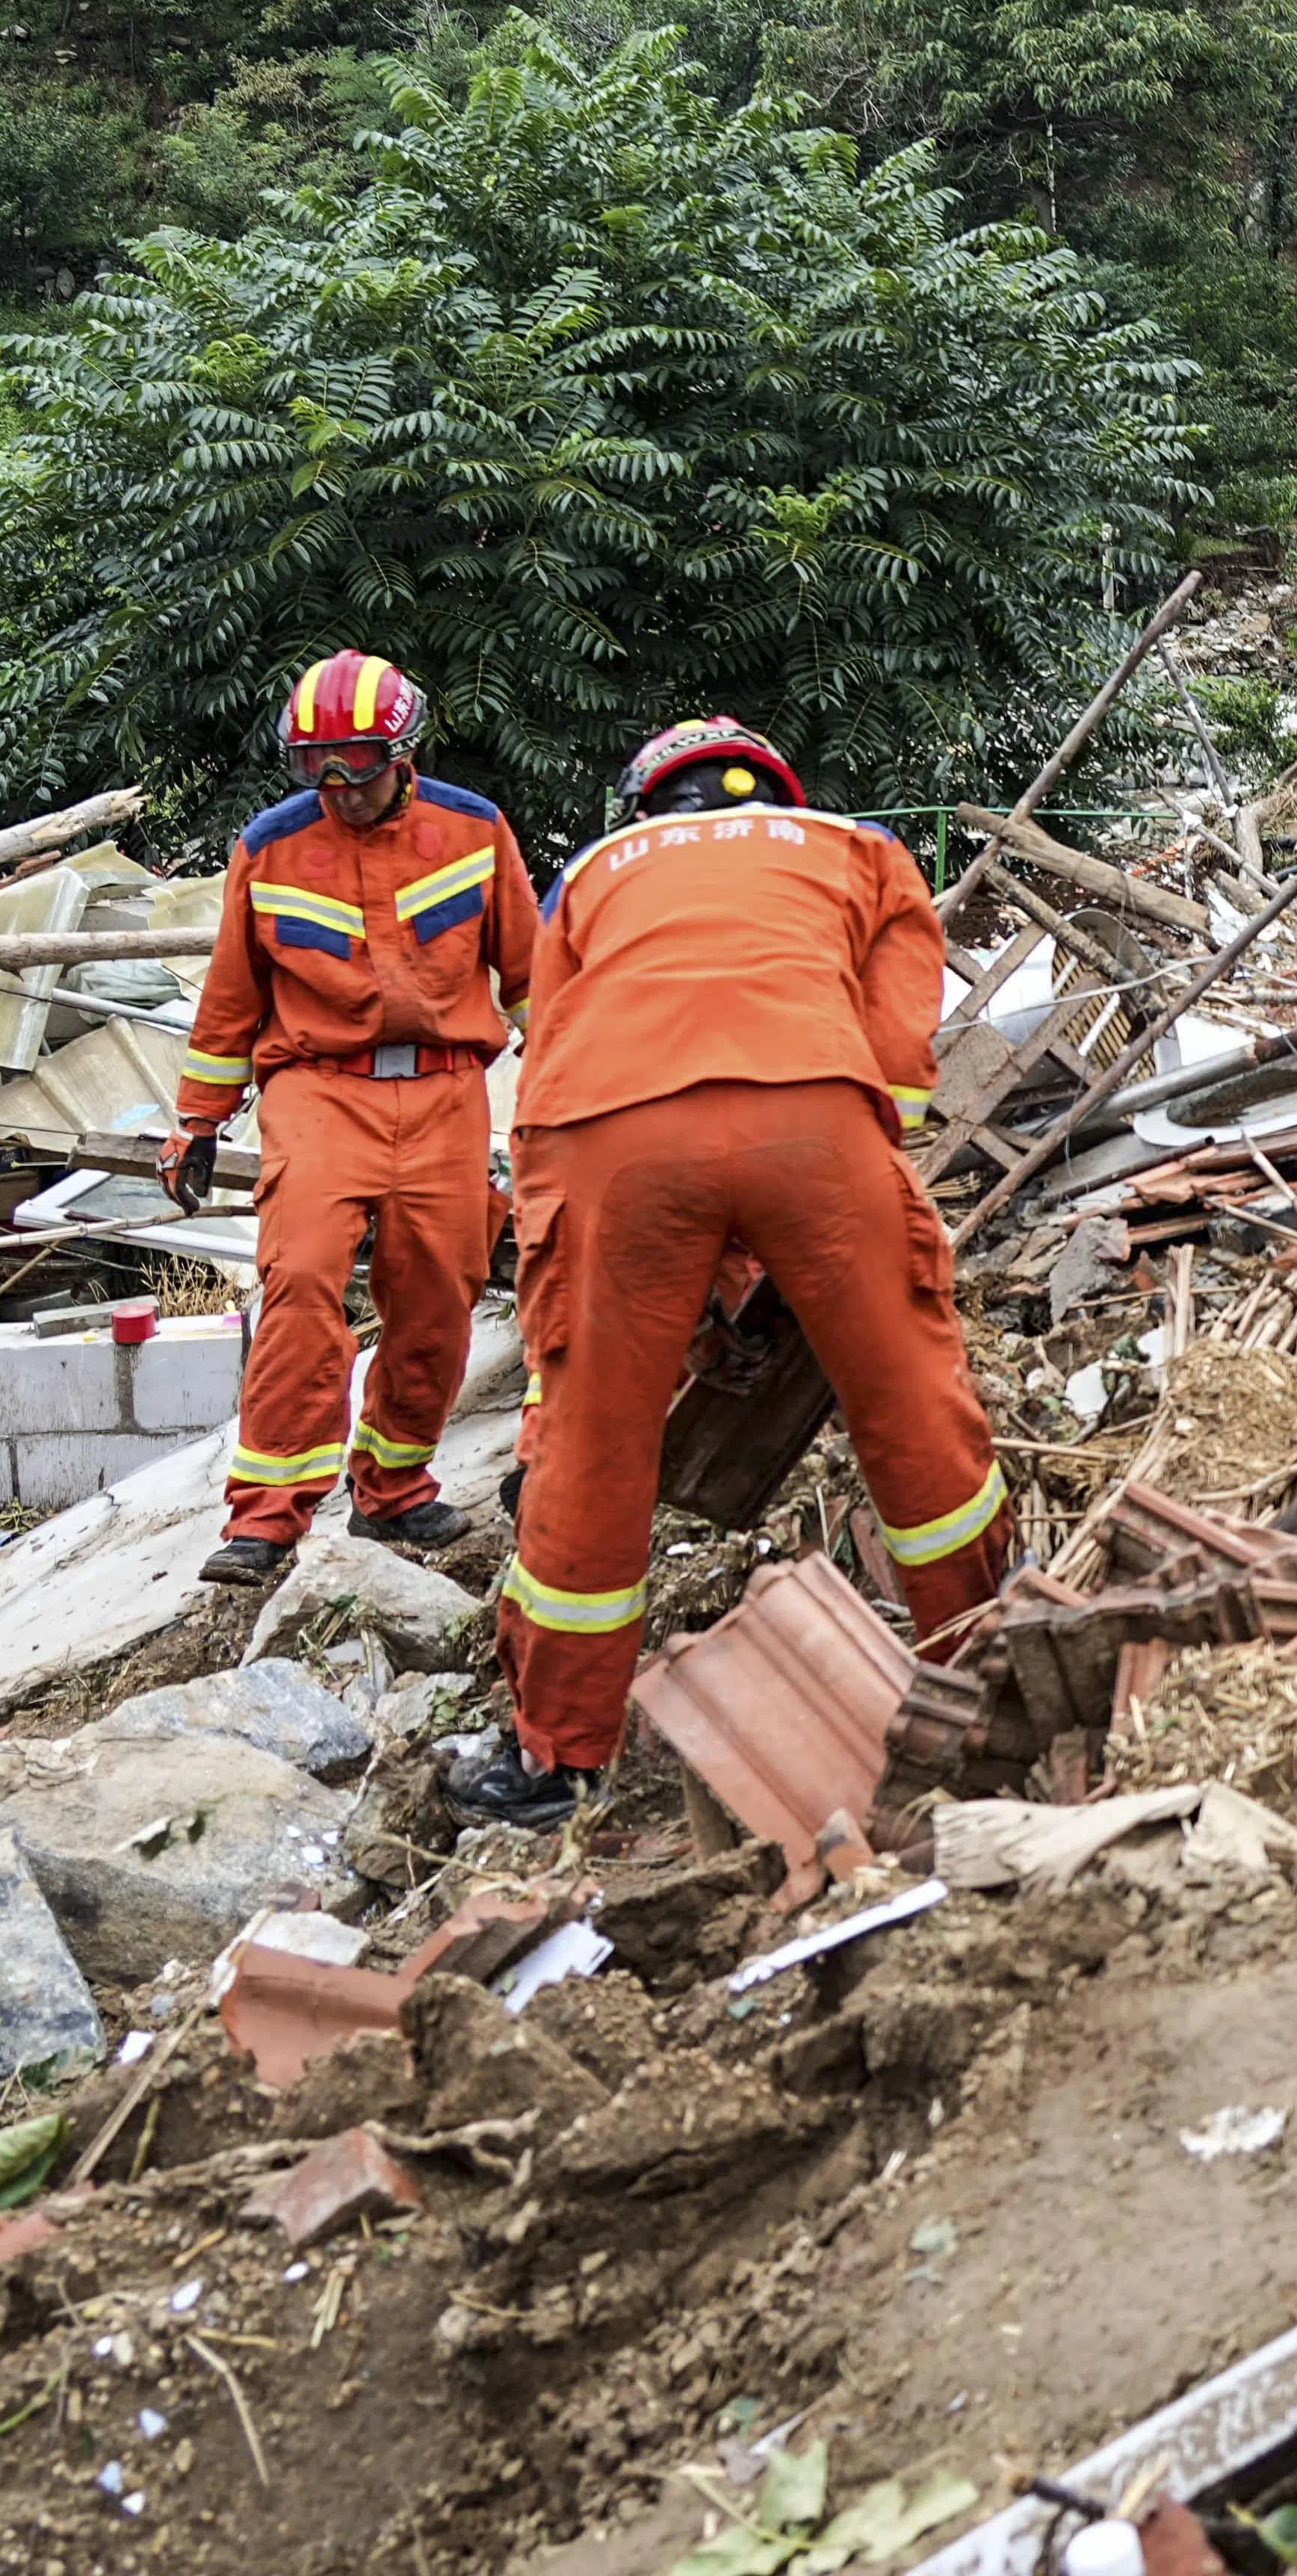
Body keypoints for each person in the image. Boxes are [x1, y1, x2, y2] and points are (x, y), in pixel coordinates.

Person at [456, 718, 1011, 1829]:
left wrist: (684, 1267)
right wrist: (838, 1182)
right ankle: (988, 1675)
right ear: (773, 793)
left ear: (647, 806)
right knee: (909, 1401)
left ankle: (555, 1755)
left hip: (607, 1135)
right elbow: (899, 1048)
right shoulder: (851, 845)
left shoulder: (588, 874)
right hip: (812, 1109)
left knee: (593, 1443)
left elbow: (553, 1046)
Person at [164, 652, 542, 1589]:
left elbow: (536, 979)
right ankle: (265, 1518)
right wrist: (197, 1121)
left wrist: (583, 1089)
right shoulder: (272, 844)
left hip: (446, 1089)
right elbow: (229, 999)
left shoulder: (473, 829)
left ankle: (395, 1488)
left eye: (357, 764)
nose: (338, 787)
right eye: (315, 766)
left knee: (439, 1293)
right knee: (298, 1279)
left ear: (402, 750)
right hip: (318, 1087)